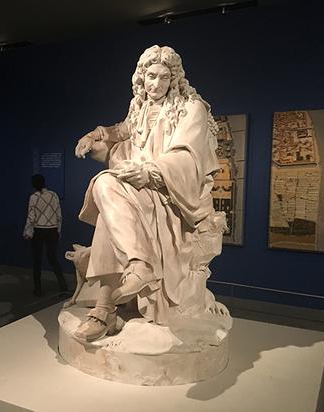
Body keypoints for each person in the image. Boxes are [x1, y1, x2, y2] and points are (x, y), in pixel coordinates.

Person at [73, 45, 220, 341]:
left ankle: (105, 309)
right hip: (138, 188)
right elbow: (120, 130)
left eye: (163, 77)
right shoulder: (140, 109)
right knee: (108, 190)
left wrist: (151, 172)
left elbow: (188, 157)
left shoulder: (191, 109)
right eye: (151, 76)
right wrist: (94, 135)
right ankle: (138, 265)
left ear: (173, 78)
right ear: (141, 77)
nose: (156, 84)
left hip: (171, 195)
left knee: (106, 189)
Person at [23, 174, 67, 296]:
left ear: (33, 184)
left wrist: (27, 232)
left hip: (39, 231)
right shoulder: (54, 195)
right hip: (52, 230)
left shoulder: (33, 197)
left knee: (37, 260)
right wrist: (58, 230)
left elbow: (31, 217)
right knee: (53, 259)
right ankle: (63, 286)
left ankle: (38, 289)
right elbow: (59, 215)